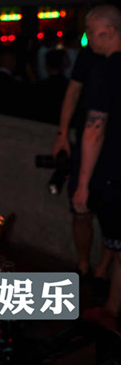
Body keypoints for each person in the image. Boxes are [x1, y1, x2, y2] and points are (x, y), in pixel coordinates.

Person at [72, 5, 121, 331]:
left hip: (114, 174)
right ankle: (112, 309)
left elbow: (94, 130)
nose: (88, 38)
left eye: (91, 31)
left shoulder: (106, 71)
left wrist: (83, 184)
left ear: (109, 31)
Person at [53, 44, 112, 282]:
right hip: (85, 142)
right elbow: (73, 91)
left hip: (113, 148)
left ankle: (101, 271)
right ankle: (83, 265)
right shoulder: (89, 55)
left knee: (112, 214)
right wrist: (62, 134)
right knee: (80, 209)